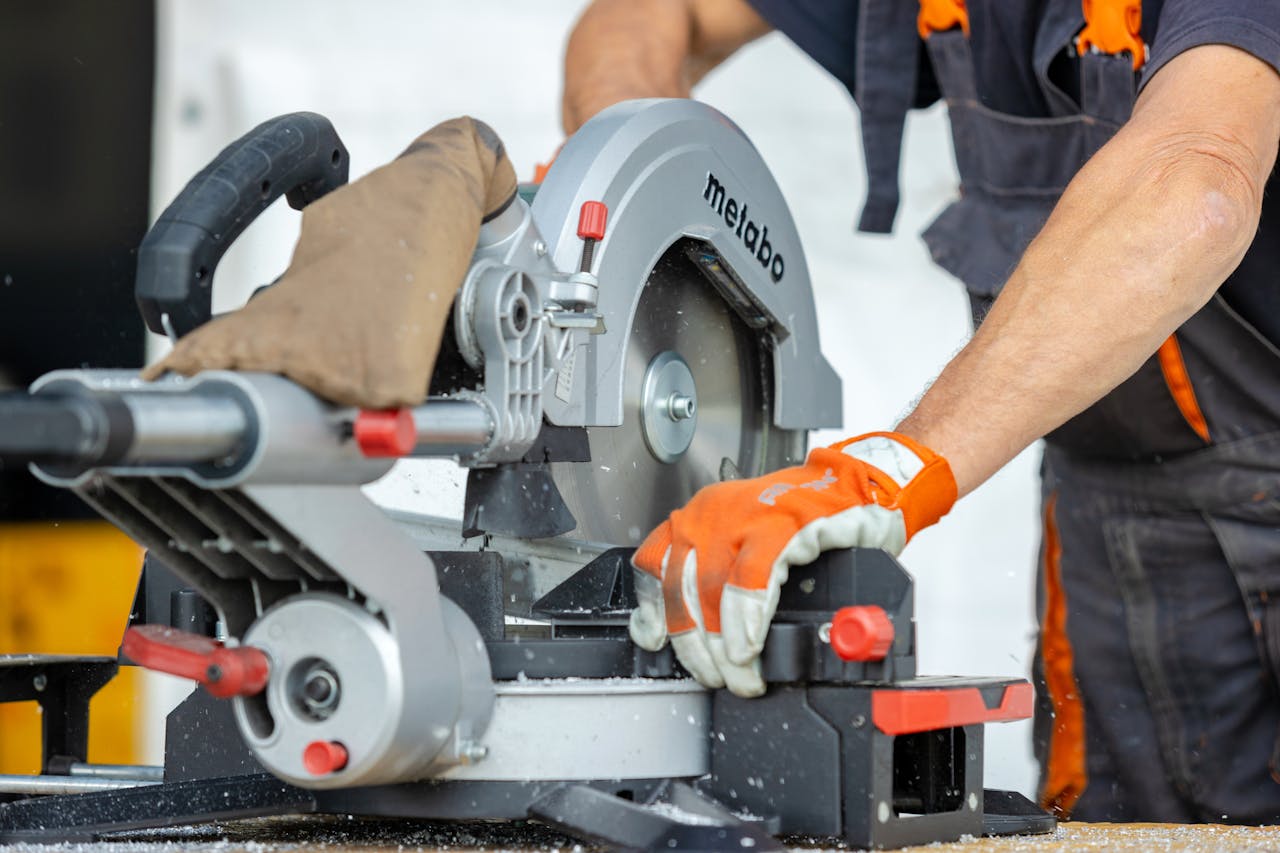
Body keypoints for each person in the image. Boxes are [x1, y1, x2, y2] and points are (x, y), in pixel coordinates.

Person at [561, 0, 1280, 825]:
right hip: (1111, 513)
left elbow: (1197, 181)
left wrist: (889, 472)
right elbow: (649, 17)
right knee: (1123, 836)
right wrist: (633, 193)